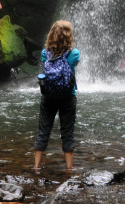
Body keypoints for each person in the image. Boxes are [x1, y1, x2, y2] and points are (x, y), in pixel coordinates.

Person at [34, 20, 80, 171]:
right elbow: (75, 65)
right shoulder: (74, 53)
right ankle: (69, 169)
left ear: (52, 34)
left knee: (43, 131)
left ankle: (36, 166)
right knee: (67, 133)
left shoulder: (44, 53)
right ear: (69, 36)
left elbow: (44, 68)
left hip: (49, 96)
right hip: (68, 96)